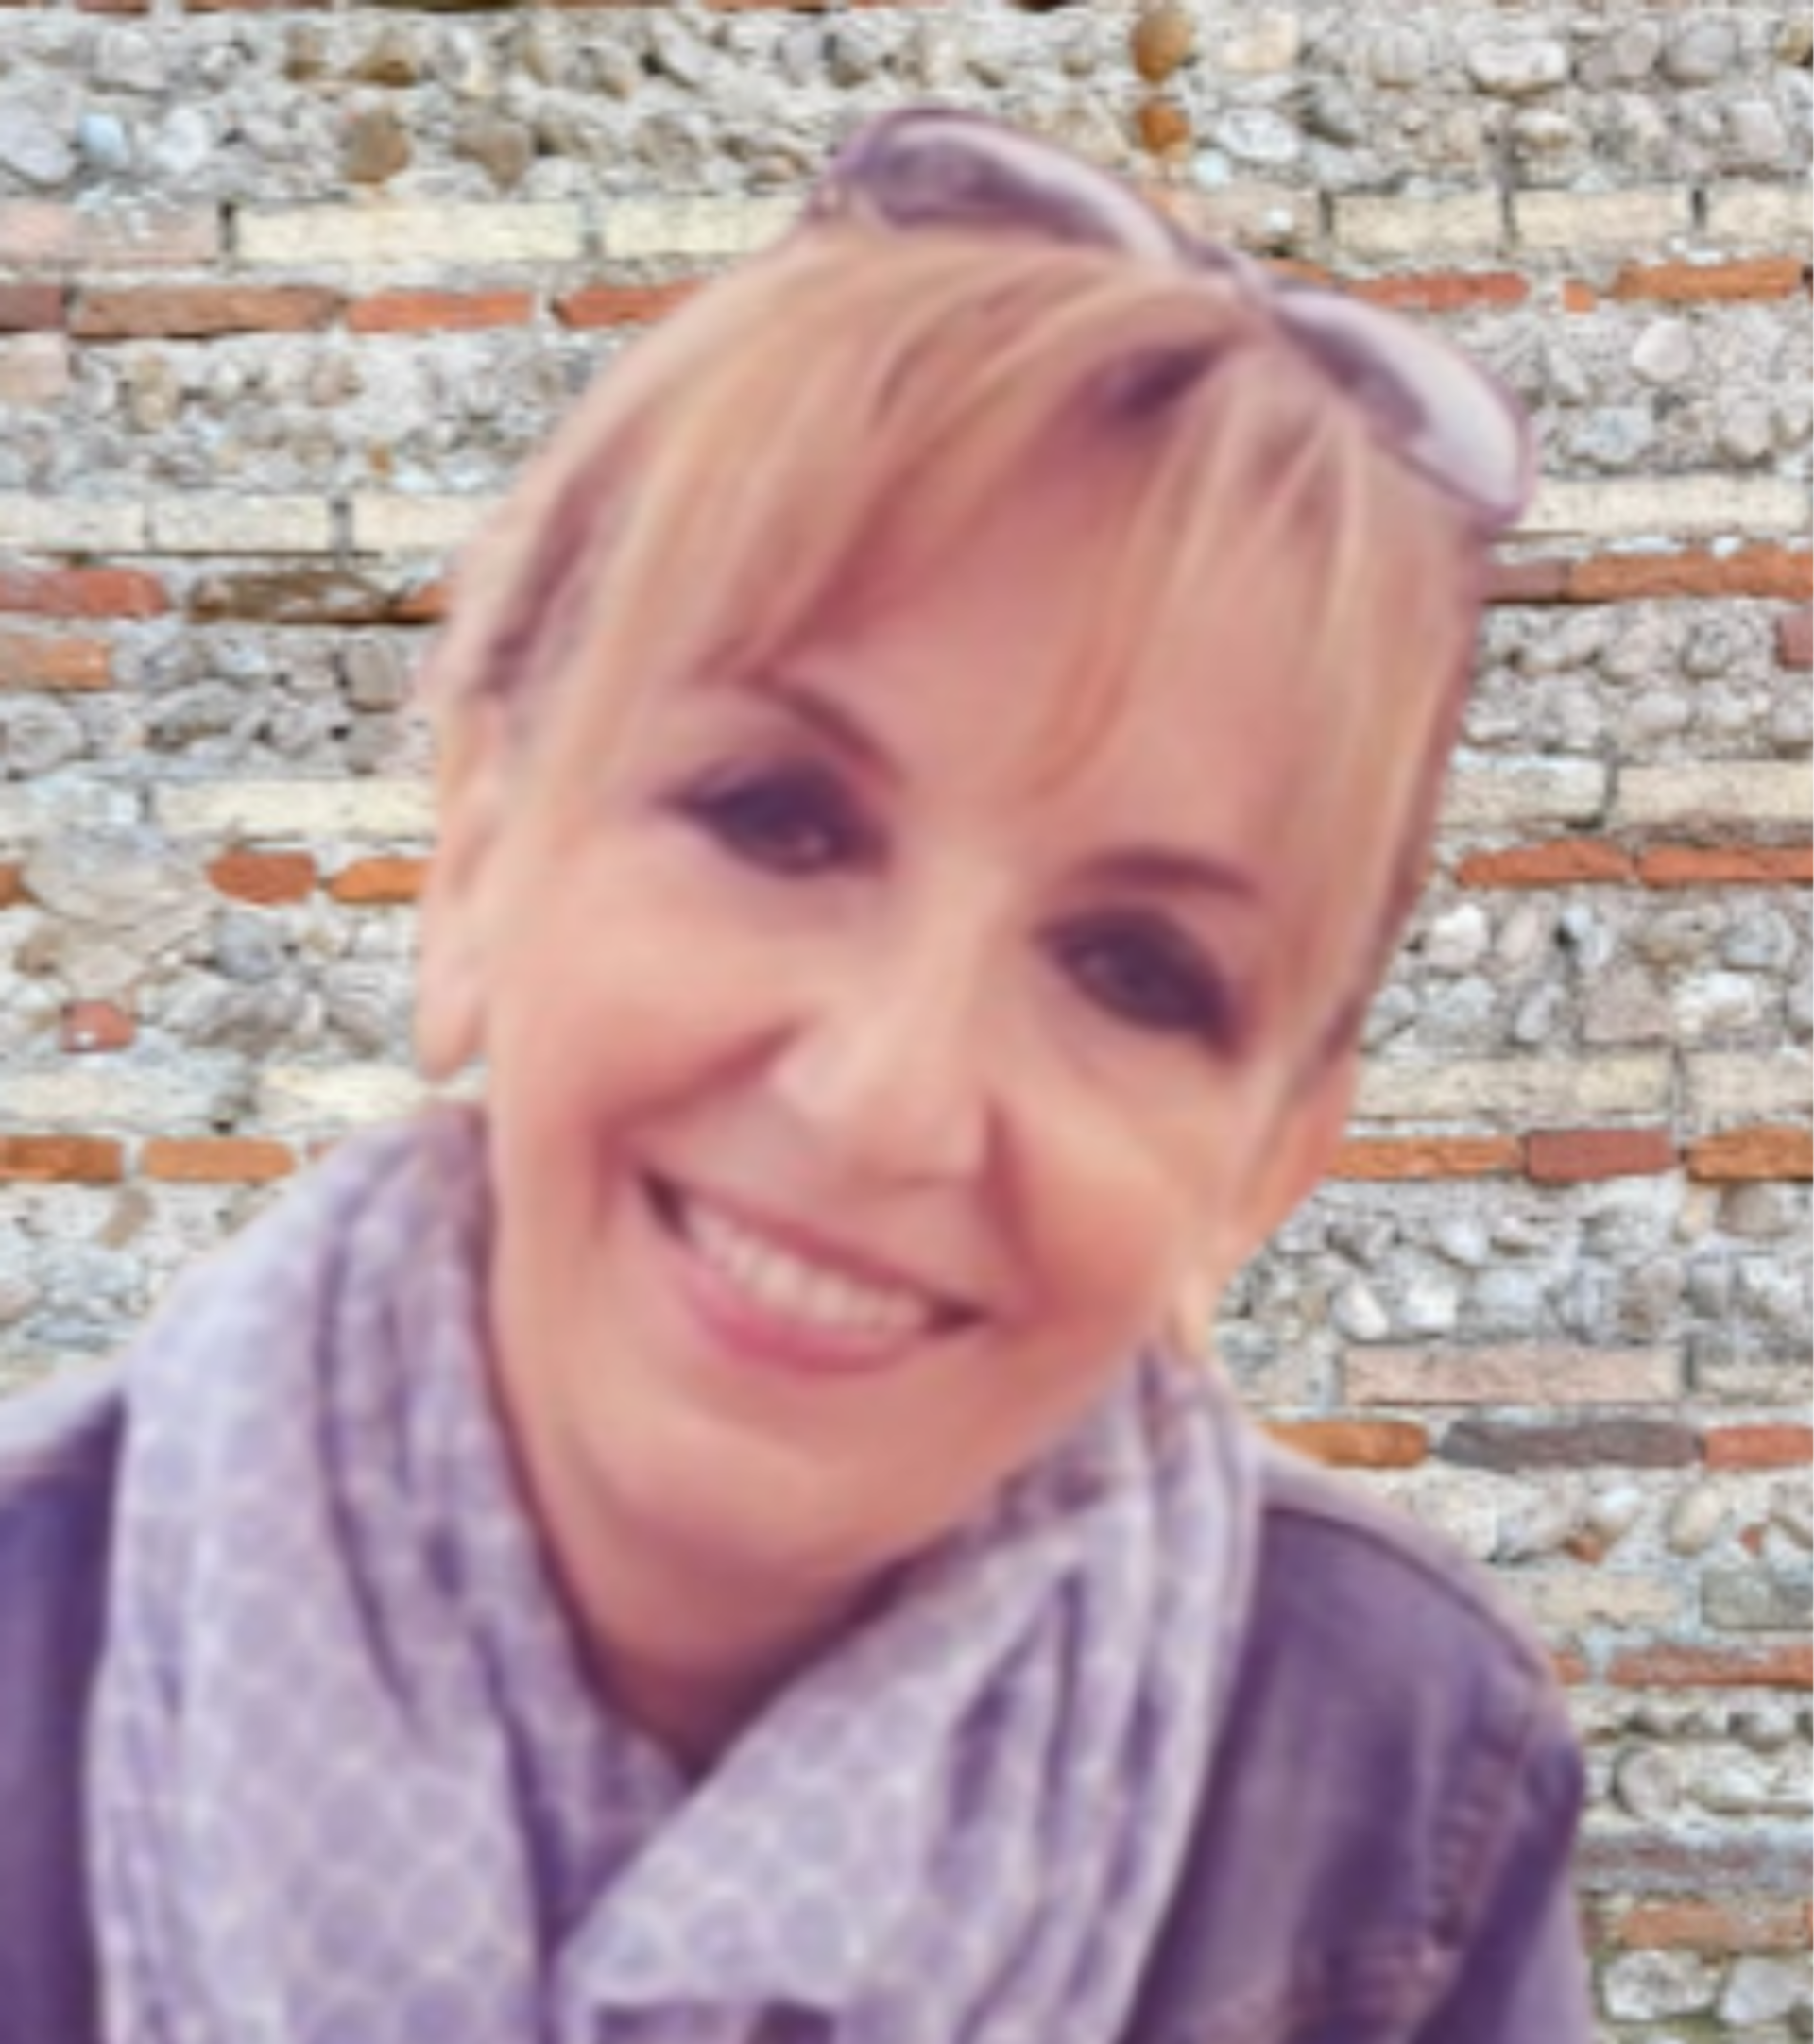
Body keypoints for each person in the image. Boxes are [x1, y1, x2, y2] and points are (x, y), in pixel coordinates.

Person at [0, 107, 1592, 2044]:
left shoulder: (1393, 1770)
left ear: (1270, 1156)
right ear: (483, 841)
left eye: (1132, 968)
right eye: (777, 818)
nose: (885, 1098)